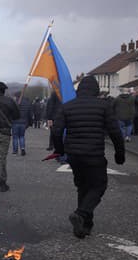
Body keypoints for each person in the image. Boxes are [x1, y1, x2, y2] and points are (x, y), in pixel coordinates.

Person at [51, 75, 125, 238]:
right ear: (96, 90)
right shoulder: (104, 106)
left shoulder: (67, 106)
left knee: (83, 187)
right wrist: (120, 153)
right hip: (94, 153)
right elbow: (115, 132)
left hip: (74, 155)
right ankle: (82, 213)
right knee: (99, 185)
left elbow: (56, 131)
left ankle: (85, 225)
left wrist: (60, 150)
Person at [11, 89, 33, 155]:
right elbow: (30, 113)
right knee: (22, 136)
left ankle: (15, 150)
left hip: (15, 122)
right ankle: (22, 148)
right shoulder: (27, 102)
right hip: (24, 122)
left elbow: (10, 112)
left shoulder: (14, 102)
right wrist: (30, 122)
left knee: (15, 137)